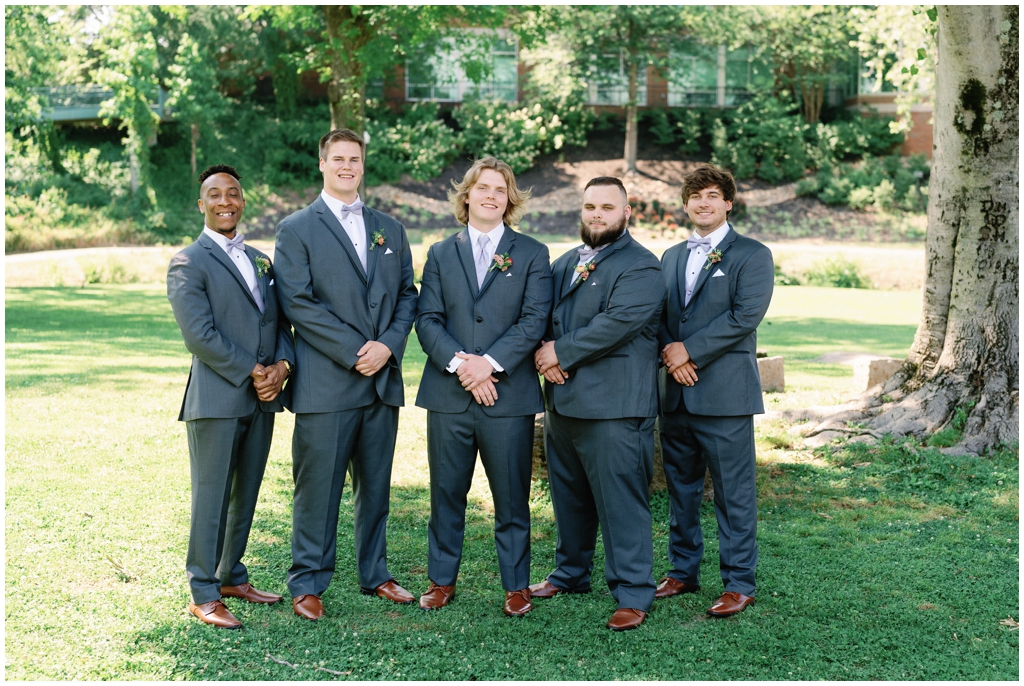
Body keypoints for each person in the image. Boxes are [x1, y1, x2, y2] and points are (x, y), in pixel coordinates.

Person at [273, 129, 419, 621]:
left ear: (363, 164)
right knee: (318, 487)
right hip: (327, 382)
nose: (346, 166)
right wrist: (356, 350)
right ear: (322, 164)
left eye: (354, 159)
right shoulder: (296, 229)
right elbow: (297, 302)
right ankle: (308, 582)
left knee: (375, 486)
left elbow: (407, 295)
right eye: (338, 159)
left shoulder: (390, 229)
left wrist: (388, 346)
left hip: (380, 380)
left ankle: (375, 573)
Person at [413, 157, 552, 617]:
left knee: (511, 497)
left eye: (500, 189)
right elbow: (427, 318)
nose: (491, 195)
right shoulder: (438, 252)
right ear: (466, 195)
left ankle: (516, 585)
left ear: (509, 199)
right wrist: (462, 366)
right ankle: (441, 580)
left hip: (507, 396)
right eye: (483, 187)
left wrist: (488, 365)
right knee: (445, 494)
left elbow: (534, 321)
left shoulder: (532, 253)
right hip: (448, 396)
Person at [530, 177, 665, 631]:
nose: (597, 214)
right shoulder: (565, 262)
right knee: (569, 497)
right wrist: (545, 355)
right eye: (590, 206)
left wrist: (559, 353)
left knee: (620, 503)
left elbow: (618, 324)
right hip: (563, 401)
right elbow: (543, 319)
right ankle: (570, 574)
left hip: (615, 407)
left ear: (628, 212)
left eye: (608, 207)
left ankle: (633, 592)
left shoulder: (642, 267)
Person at [167, 164, 295, 629]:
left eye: (233, 193)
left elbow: (281, 321)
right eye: (215, 195)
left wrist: (282, 366)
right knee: (212, 495)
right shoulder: (188, 261)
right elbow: (199, 335)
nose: (226, 201)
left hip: (263, 398)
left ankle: (230, 575)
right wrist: (253, 370)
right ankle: (202, 590)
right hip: (217, 400)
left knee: (247, 493)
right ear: (201, 205)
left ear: (243, 201)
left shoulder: (262, 259)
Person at [656, 164, 774, 617]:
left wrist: (689, 352)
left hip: (724, 393)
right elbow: (660, 315)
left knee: (733, 492)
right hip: (676, 393)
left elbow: (744, 317)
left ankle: (739, 582)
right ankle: (683, 572)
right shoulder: (669, 256)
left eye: (711, 195)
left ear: (728, 201)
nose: (702, 203)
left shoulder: (752, 254)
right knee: (681, 489)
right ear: (685, 205)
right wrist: (671, 352)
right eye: (694, 197)